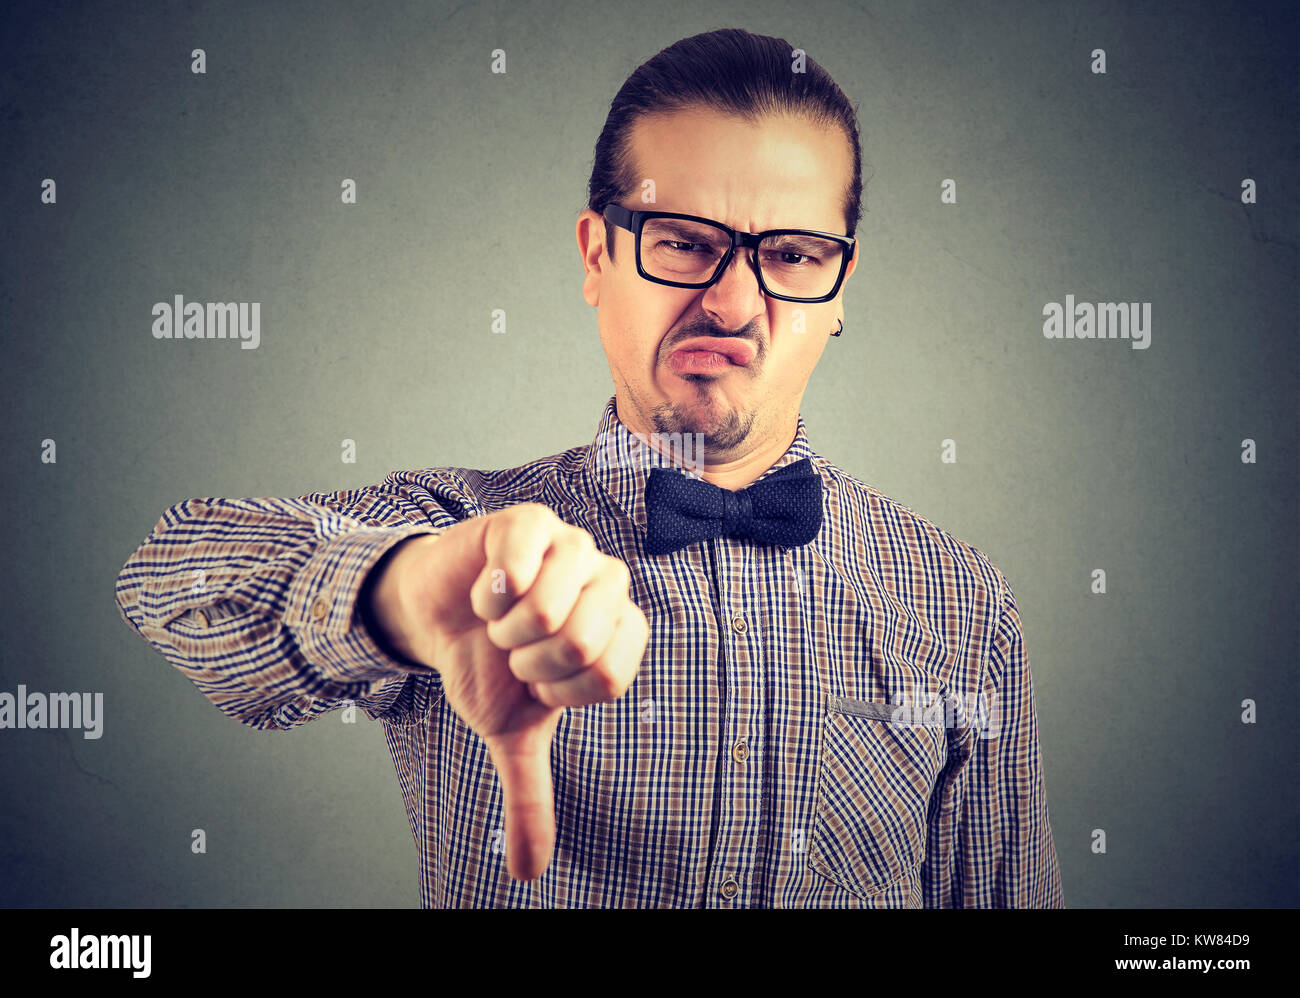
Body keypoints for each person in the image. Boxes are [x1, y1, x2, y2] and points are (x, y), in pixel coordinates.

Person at [114, 27, 1063, 908]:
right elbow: (170, 579)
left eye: (793, 254)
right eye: (684, 242)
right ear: (596, 256)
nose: (734, 302)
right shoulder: (463, 537)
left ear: (840, 289)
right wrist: (401, 594)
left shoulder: (964, 605)